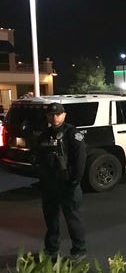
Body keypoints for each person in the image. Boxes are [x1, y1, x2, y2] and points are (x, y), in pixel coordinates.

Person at [36, 102, 87, 261]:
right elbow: (39, 158)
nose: (55, 117)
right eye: (51, 114)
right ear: (47, 116)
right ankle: (51, 249)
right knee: (51, 220)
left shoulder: (72, 133)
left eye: (58, 114)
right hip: (50, 185)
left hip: (67, 184)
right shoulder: (45, 134)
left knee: (73, 219)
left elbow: (80, 159)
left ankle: (79, 251)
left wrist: (74, 180)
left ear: (64, 115)